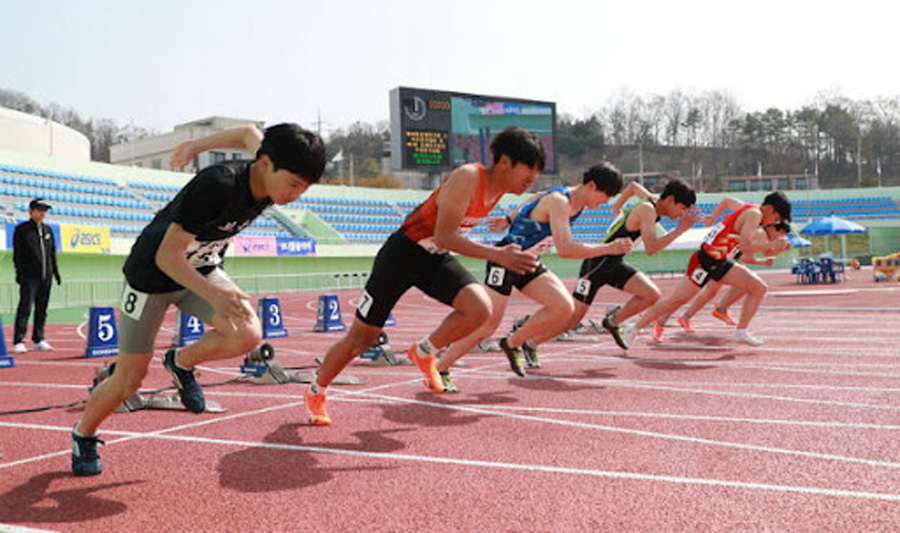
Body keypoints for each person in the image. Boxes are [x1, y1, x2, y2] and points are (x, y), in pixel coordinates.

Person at [70, 123, 326, 476]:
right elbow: (167, 257)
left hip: (201, 270)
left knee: (247, 333)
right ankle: (83, 434)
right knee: (129, 379)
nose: (296, 194)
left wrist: (195, 145)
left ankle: (181, 362)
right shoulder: (218, 185)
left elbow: (249, 132)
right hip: (151, 276)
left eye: (305, 188)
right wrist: (217, 298)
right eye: (294, 184)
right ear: (266, 165)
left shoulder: (270, 170)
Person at [305, 126, 544, 425]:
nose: (533, 178)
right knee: (361, 338)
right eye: (530, 169)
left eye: (537, 171)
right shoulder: (469, 177)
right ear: (506, 161)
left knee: (479, 308)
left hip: (433, 258)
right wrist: (500, 255)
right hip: (402, 254)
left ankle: (424, 351)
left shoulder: (501, 193)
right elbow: (445, 236)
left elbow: (443, 243)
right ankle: (317, 390)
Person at [435, 162, 635, 391]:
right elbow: (566, 249)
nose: (605, 202)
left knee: (563, 307)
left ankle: (512, 343)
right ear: (591, 185)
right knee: (487, 325)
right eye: (605, 195)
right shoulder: (561, 202)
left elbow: (536, 197)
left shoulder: (574, 199)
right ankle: (441, 366)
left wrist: (509, 219)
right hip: (506, 259)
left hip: (528, 262)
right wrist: (609, 248)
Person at [526, 178, 700, 353]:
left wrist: (618, 205)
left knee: (651, 294)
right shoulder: (648, 209)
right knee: (571, 320)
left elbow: (633, 186)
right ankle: (530, 341)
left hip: (614, 264)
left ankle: (613, 321)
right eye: (682, 209)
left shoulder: (654, 201)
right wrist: (680, 229)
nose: (681, 215)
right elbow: (651, 248)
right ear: (670, 200)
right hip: (597, 264)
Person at [621, 191, 792, 349]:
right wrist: (771, 245)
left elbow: (728, 206)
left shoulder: (749, 209)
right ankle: (634, 327)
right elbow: (745, 245)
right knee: (675, 300)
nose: (774, 223)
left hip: (721, 261)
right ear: (769, 209)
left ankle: (740, 332)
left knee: (758, 287)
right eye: (776, 218)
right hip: (705, 261)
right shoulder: (755, 214)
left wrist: (713, 217)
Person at [665, 221, 792, 338]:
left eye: (782, 235)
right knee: (747, 286)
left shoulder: (763, 235)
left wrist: (777, 251)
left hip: (724, 259)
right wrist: (763, 262)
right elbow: (747, 257)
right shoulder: (761, 234)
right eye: (779, 233)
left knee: (710, 292)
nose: (779, 237)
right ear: (770, 227)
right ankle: (719, 309)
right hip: (723, 260)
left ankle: (686, 316)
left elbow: (765, 253)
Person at [12, 198, 61, 354]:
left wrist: (56, 272)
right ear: (31, 211)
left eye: (45, 210)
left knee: (42, 308)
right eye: (40, 209)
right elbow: (17, 255)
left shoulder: (48, 230)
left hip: (46, 276)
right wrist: (20, 274)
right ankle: (19, 340)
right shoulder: (22, 230)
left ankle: (39, 339)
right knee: (25, 307)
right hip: (30, 277)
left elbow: (52, 253)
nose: (43, 213)